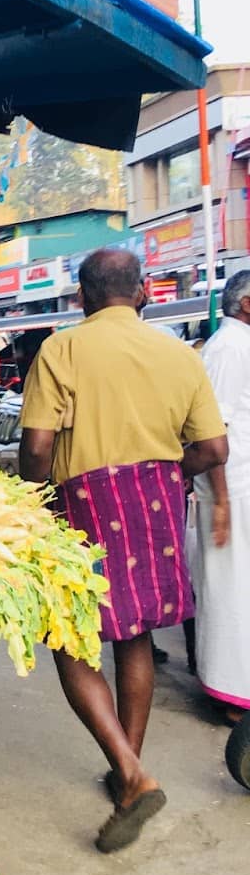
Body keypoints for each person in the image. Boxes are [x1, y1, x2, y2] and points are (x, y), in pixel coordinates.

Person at [18, 249, 229, 853]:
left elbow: (35, 449)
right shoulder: (180, 354)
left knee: (68, 638)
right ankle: (127, 765)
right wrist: (172, 473)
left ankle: (133, 776)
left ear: (82, 297)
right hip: (156, 500)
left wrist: (35, 504)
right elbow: (213, 449)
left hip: (83, 506)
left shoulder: (61, 349)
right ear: (142, 294)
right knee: (135, 636)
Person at [187, 270, 250, 718]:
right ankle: (227, 694)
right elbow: (215, 430)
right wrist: (223, 500)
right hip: (232, 488)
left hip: (241, 487)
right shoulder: (228, 348)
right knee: (227, 590)